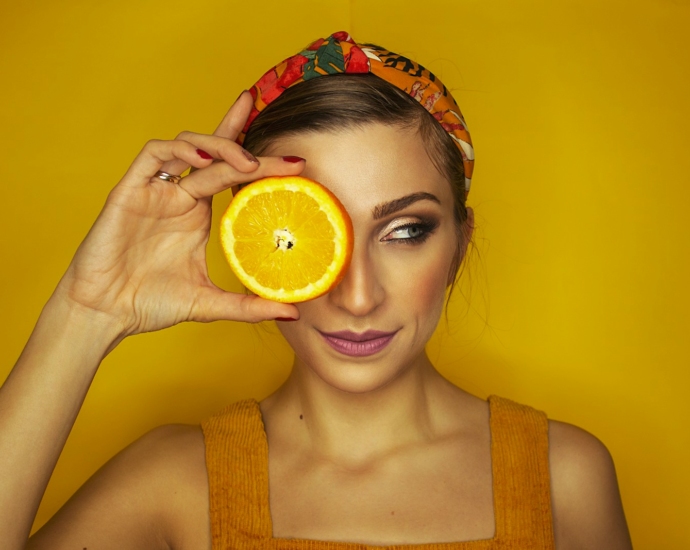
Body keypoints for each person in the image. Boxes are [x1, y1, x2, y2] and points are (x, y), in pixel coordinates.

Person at [1, 32, 632, 550]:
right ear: (249, 243)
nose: (356, 297)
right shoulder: (171, 485)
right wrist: (87, 313)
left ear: (459, 244)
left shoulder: (562, 477)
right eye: (303, 235)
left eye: (405, 230)